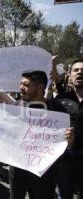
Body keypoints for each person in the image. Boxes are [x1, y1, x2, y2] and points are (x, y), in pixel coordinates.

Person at [0, 70, 74, 199]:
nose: (21, 88)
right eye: (21, 84)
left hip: (43, 173)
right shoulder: (17, 106)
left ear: (40, 87)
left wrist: (69, 140)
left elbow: (64, 143)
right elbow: (5, 131)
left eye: (26, 85)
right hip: (17, 169)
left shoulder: (56, 109)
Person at [55, 58, 83, 199]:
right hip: (64, 159)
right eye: (76, 70)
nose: (80, 73)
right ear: (70, 75)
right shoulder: (61, 99)